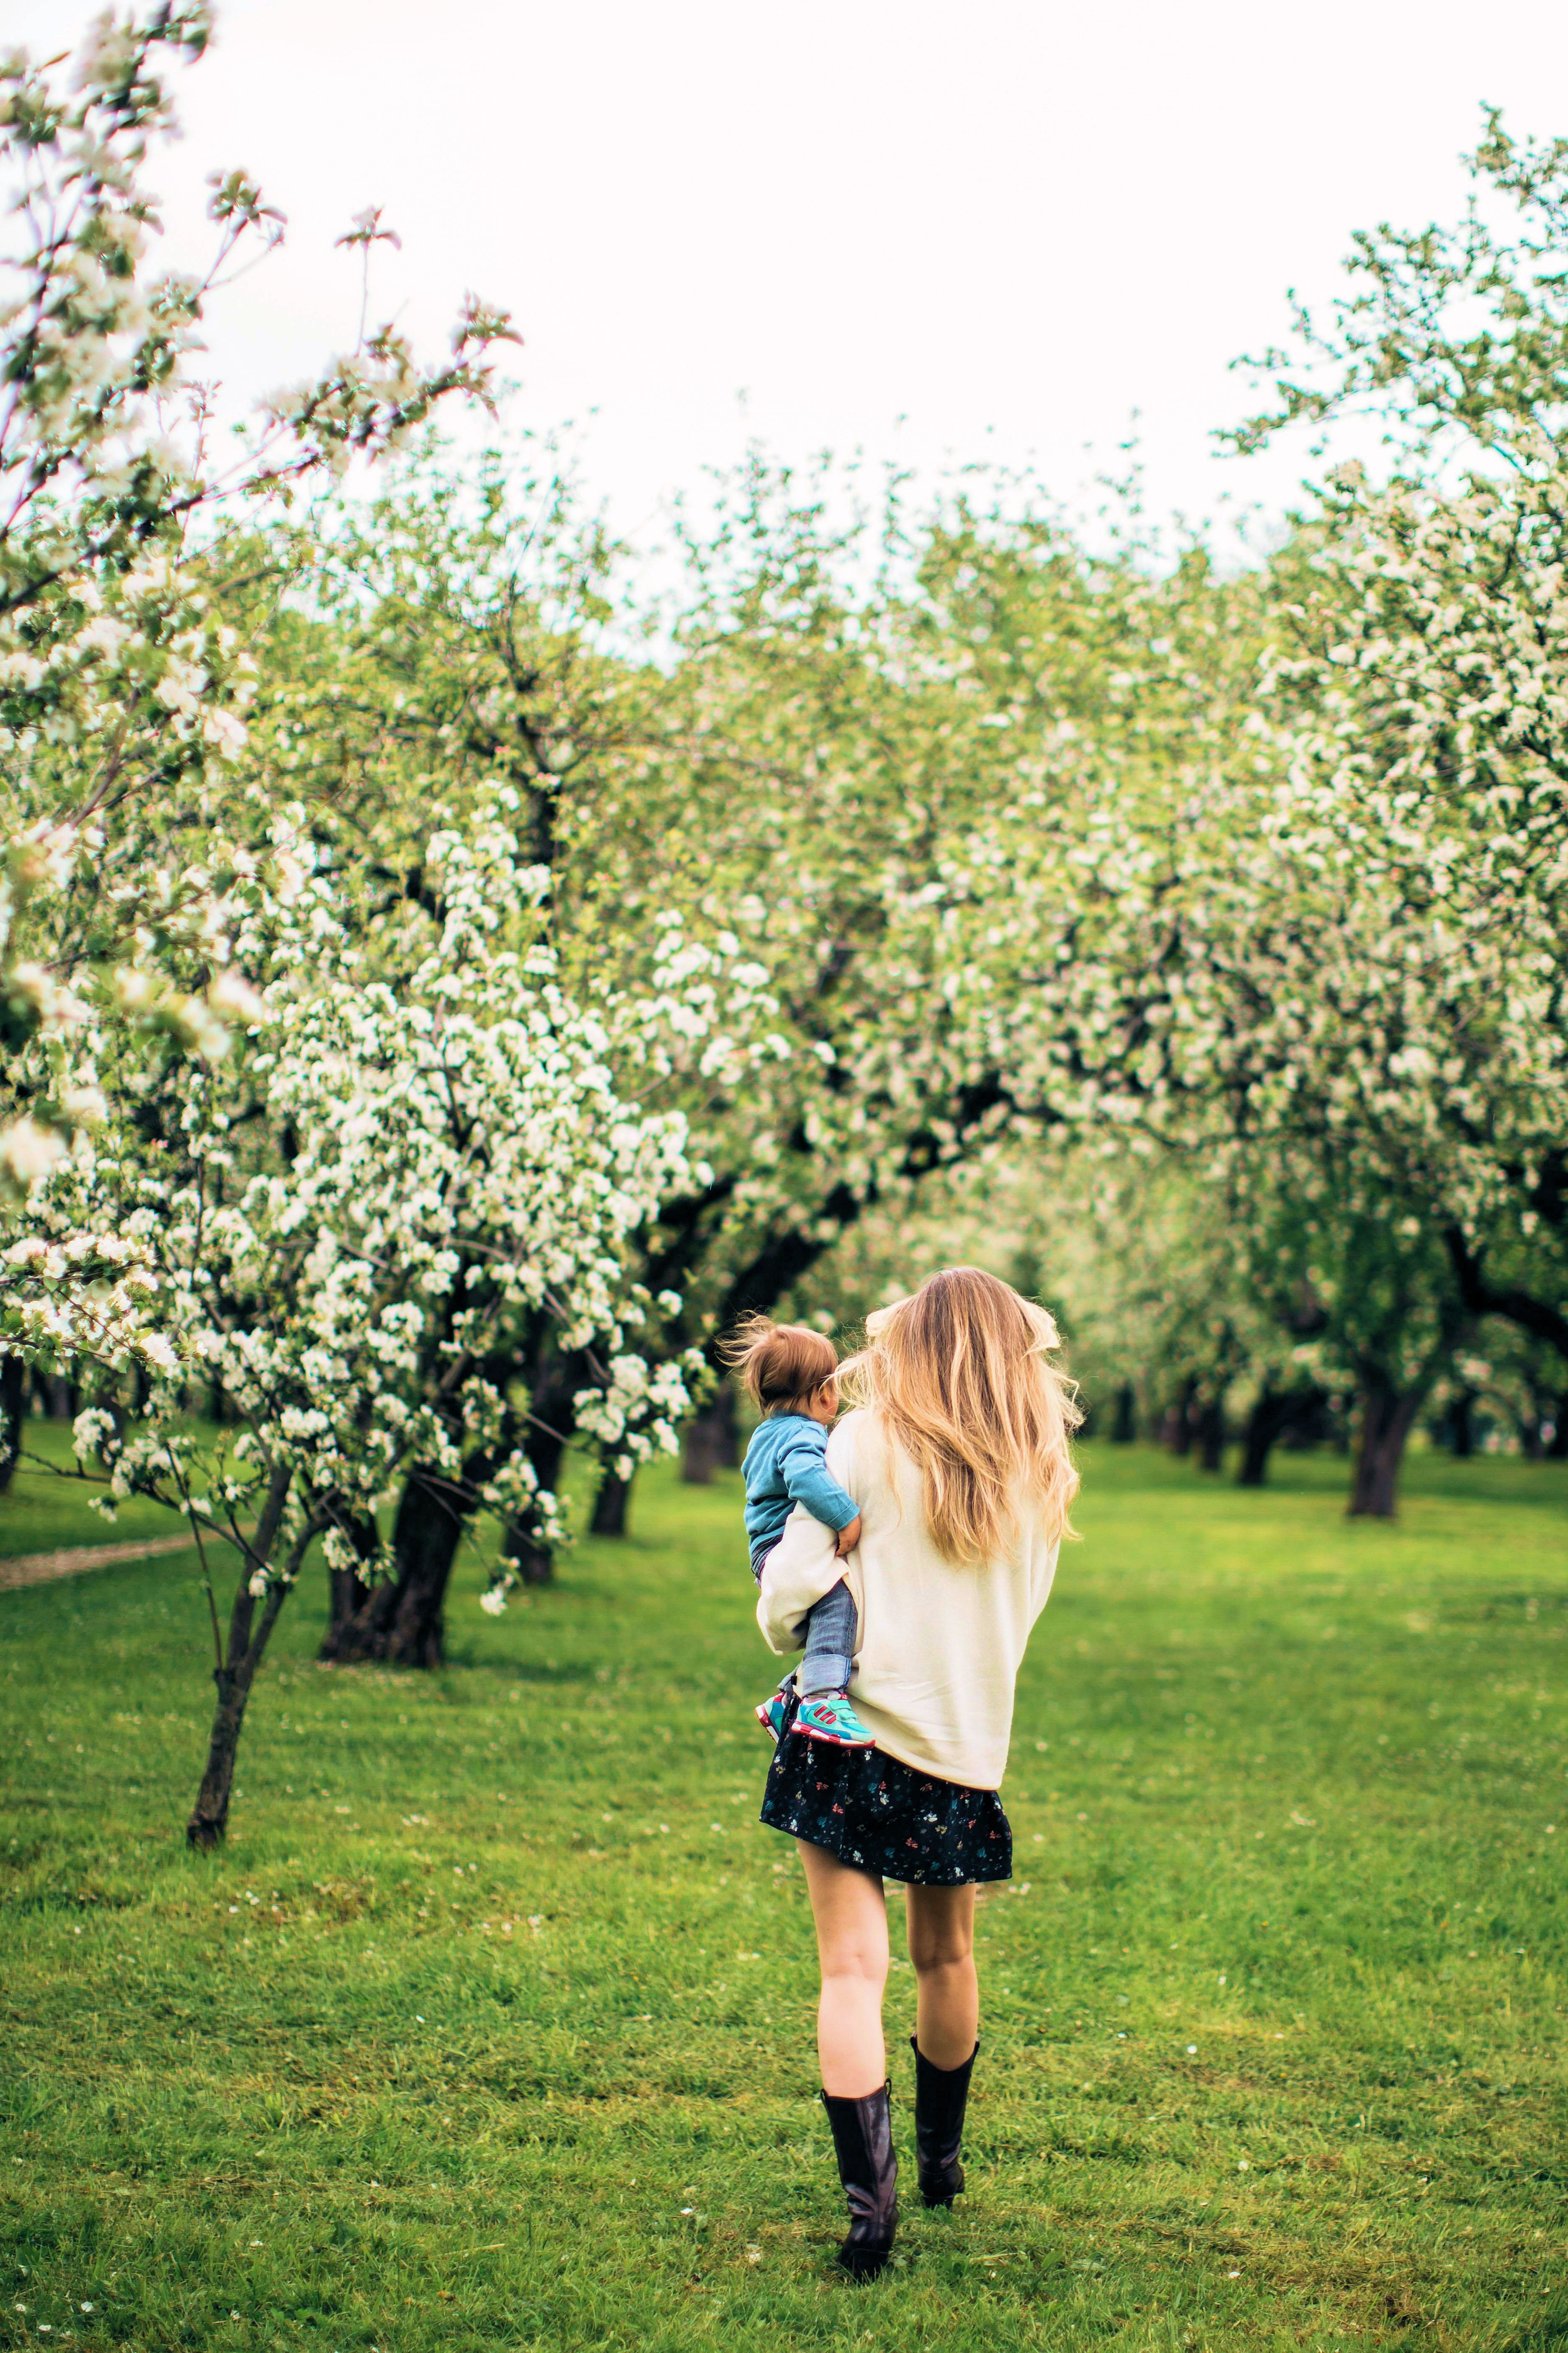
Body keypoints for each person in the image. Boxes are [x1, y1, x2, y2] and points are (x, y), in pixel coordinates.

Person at [754, 1267, 1081, 2278]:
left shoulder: (858, 1442)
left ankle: (870, 2211)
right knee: (946, 1961)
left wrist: (787, 1615)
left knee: (851, 1968)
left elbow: (797, 1578)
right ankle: (939, 2164)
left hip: (849, 1733)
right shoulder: (1038, 1471)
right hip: (958, 1748)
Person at [722, 1316, 873, 1747]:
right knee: (840, 1602)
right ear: (825, 1392)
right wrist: (847, 1516)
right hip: (781, 1548)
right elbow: (805, 1476)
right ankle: (822, 1698)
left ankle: (788, 1699)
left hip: (765, 1550)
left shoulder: (766, 1432)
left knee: (828, 1623)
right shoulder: (803, 1433)